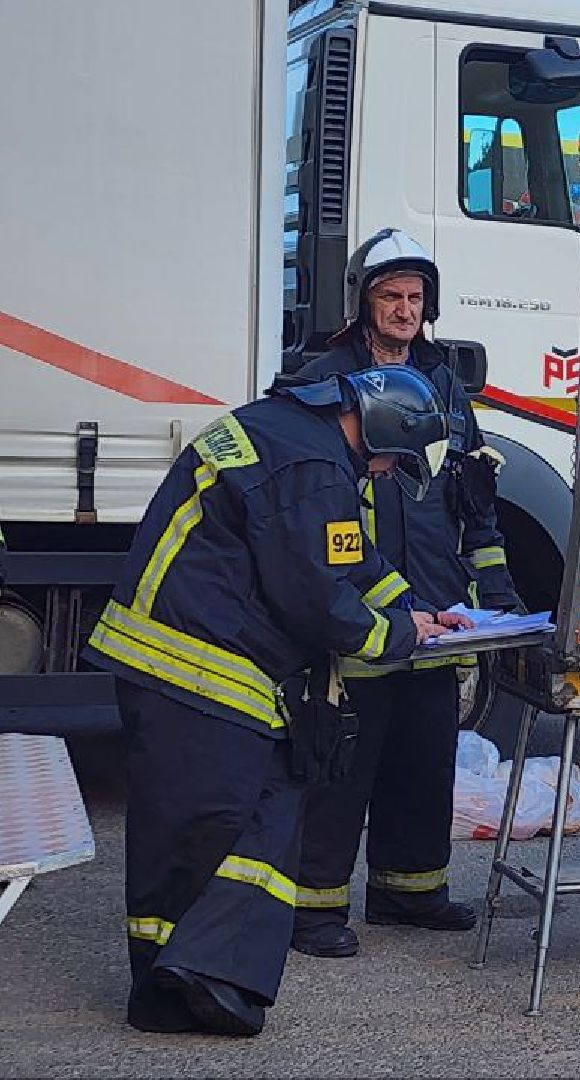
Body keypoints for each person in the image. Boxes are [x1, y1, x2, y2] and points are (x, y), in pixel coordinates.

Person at [83, 364, 464, 1036]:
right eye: (392, 459)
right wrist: (400, 637)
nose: (384, 474)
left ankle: (202, 972)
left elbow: (347, 557)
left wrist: (415, 609)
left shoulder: (298, 439)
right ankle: (173, 985)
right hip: (194, 665)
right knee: (206, 827)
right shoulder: (312, 467)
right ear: (382, 427)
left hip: (199, 659)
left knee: (259, 808)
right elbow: (315, 598)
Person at [286, 228, 522, 959]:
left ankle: (409, 890)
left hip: (438, 606)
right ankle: (312, 907)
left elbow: (473, 495)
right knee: (341, 763)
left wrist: (496, 585)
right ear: (363, 301)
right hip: (358, 606)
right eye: (391, 295)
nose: (405, 310)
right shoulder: (323, 379)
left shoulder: (443, 383)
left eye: (416, 297)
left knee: (424, 758)